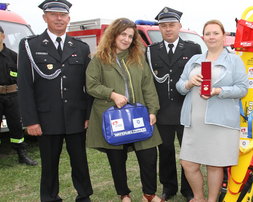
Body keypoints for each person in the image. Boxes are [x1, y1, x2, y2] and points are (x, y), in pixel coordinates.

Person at [17, 0, 93, 201]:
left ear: (68, 18)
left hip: (76, 117)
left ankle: (84, 196)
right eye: (53, 14)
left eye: (62, 15)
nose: (59, 18)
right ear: (45, 18)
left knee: (80, 161)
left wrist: (88, 115)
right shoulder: (30, 46)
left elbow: (89, 86)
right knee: (49, 163)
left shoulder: (81, 47)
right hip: (46, 118)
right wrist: (30, 120)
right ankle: (50, 197)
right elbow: (24, 86)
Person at [85, 18, 163, 202]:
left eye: (130, 36)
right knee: (117, 159)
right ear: (113, 34)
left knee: (149, 155)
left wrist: (152, 110)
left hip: (139, 114)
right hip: (113, 117)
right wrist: (111, 94)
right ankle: (124, 195)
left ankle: (149, 194)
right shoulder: (99, 58)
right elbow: (91, 85)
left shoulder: (138, 56)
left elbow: (148, 86)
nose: (127, 39)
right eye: (123, 34)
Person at [176, 20, 248, 202]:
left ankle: (212, 200)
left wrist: (219, 91)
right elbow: (179, 86)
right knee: (188, 163)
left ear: (224, 36)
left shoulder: (233, 60)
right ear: (203, 37)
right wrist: (189, 83)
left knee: (215, 165)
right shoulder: (194, 61)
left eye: (216, 33)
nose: (211, 37)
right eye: (208, 33)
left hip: (220, 121)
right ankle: (199, 197)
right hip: (194, 121)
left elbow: (242, 88)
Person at [146, 7, 201, 201]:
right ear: (159, 29)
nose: (168, 29)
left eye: (171, 25)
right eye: (163, 26)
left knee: (188, 151)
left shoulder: (193, 48)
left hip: (187, 109)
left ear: (179, 26)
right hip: (162, 111)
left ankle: (188, 188)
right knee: (166, 151)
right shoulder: (151, 51)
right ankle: (168, 187)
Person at [0, 25, 37, 166]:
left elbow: (22, 78)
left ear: (3, 36)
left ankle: (21, 154)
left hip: (13, 96)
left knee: (16, 126)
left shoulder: (13, 56)